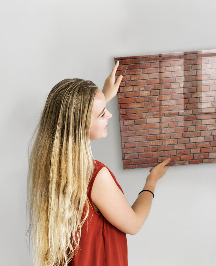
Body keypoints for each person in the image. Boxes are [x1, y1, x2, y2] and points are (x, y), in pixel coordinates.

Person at [27, 62, 171, 266]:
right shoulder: (95, 176)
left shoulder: (50, 165)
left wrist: (104, 96)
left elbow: (76, 118)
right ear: (81, 124)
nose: (109, 115)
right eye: (102, 113)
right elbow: (134, 224)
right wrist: (151, 181)